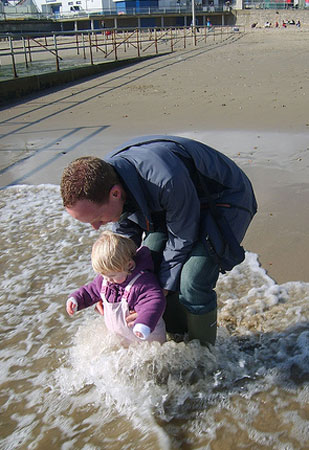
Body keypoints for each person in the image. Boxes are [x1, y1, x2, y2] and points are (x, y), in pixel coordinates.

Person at [61, 135, 257, 346]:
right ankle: (175, 339)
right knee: (147, 264)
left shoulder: (165, 179)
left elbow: (183, 236)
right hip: (173, 206)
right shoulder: (106, 179)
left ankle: (203, 358)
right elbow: (124, 239)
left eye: (98, 219)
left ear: (116, 193)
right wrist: (110, 286)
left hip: (224, 198)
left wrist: (159, 291)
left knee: (193, 279)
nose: (96, 227)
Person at [66, 230, 166, 344]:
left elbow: (154, 301)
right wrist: (76, 299)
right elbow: (90, 291)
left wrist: (144, 323)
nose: (108, 280)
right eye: (103, 275)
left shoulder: (142, 282)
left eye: (112, 275)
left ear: (129, 265)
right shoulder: (106, 279)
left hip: (146, 338)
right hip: (123, 338)